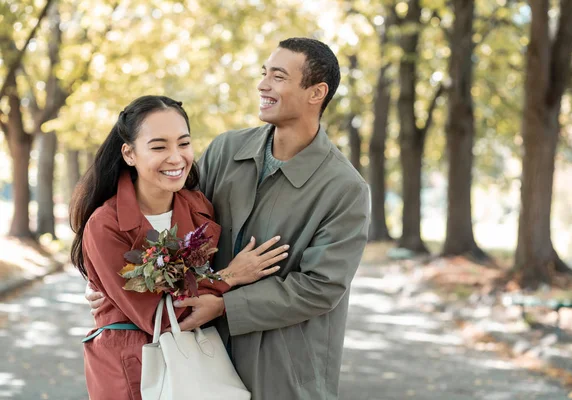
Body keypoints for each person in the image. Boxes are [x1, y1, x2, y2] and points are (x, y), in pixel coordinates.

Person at [87, 37, 370, 399]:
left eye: (278, 76)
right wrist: (106, 280)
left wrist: (225, 304)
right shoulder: (227, 150)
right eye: (264, 73)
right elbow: (167, 220)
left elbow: (321, 287)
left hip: (283, 365)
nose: (263, 84)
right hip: (203, 355)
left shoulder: (345, 188)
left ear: (317, 93)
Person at [72, 95, 288, 400]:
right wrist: (231, 276)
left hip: (195, 364)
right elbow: (161, 316)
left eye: (183, 143)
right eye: (159, 147)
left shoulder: (200, 207)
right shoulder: (105, 224)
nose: (176, 158)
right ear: (129, 153)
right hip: (129, 371)